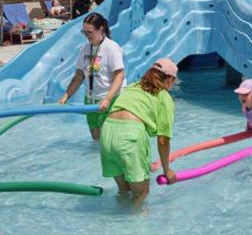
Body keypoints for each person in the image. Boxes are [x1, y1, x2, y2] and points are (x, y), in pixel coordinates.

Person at [100, 58, 178, 202]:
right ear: (171, 79)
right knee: (141, 194)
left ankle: (116, 222)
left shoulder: (132, 87)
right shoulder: (164, 97)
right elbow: (163, 140)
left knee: (124, 192)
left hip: (107, 132)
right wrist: (167, 170)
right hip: (131, 136)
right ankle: (135, 224)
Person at [59, 13, 125, 140]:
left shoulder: (111, 48)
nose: (87, 36)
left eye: (90, 32)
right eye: (84, 32)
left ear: (101, 29)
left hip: (110, 100)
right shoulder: (85, 49)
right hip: (90, 101)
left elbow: (119, 75)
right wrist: (66, 96)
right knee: (96, 138)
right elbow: (79, 76)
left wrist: (107, 98)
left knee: (109, 139)